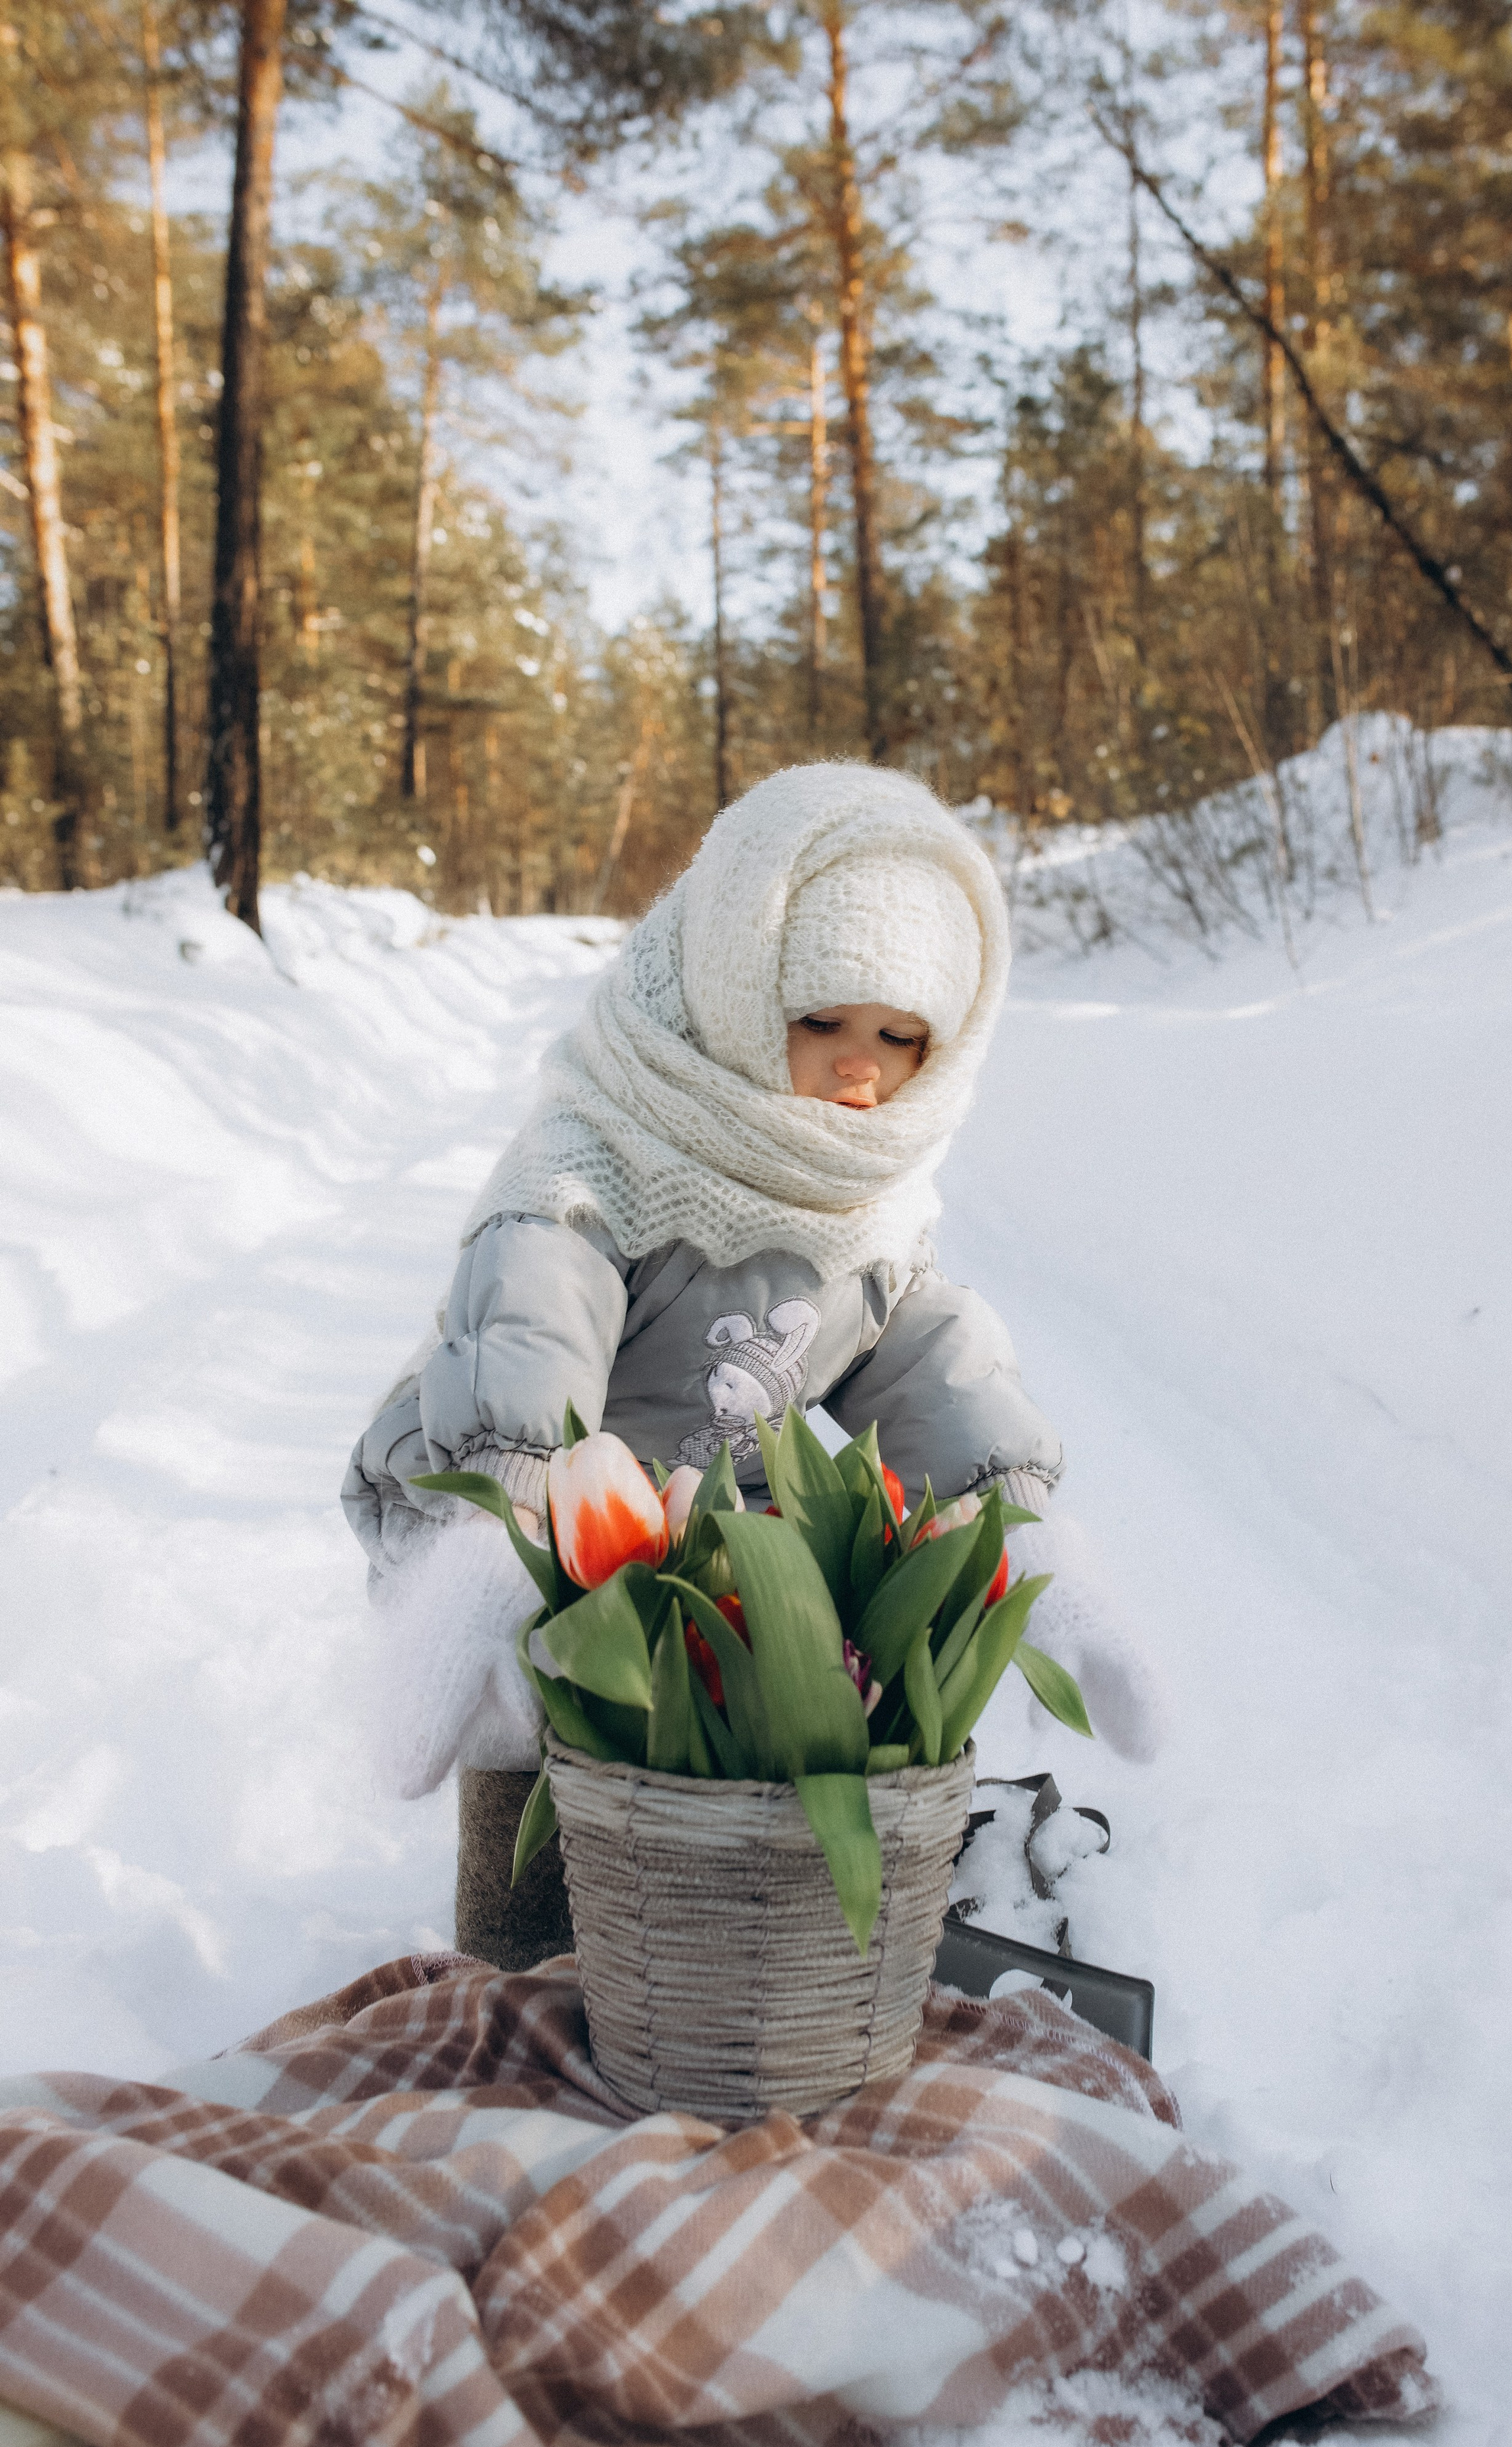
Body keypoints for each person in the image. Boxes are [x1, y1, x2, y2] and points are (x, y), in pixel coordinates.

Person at [344, 761, 1157, 1965]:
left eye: (901, 1037)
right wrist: (500, 1529)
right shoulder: (604, 1148)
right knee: (541, 1719)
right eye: (820, 1020)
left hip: (708, 1525)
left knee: (738, 1709)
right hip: (529, 1500)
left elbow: (924, 1349)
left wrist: (1015, 1526)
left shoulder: (865, 1187)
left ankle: (718, 1960)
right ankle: (518, 1957)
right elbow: (533, 1314)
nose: (858, 1068)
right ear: (737, 981)